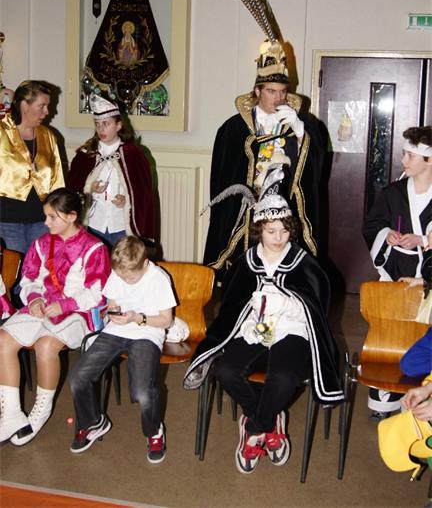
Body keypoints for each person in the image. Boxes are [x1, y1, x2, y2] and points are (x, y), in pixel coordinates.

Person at [184, 176, 343, 474]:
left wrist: (285, 304)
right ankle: (270, 420)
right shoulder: (246, 262)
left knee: (283, 378)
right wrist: (250, 313)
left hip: (292, 331)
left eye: (284, 230)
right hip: (254, 331)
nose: (279, 237)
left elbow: (316, 311)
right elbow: (231, 307)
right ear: (259, 230)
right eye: (271, 231)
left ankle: (254, 428)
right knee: (226, 370)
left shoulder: (303, 263)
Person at [203, 39, 325, 276]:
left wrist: (300, 132)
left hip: (284, 210)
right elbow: (222, 179)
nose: (279, 98)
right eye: (271, 91)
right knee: (244, 274)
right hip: (247, 213)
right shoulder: (233, 129)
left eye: (282, 92)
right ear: (257, 91)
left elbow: (316, 171)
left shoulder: (303, 124)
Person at [0, 187, 110, 446]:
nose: (46, 222)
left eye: (52, 217)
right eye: (46, 216)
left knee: (46, 345)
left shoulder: (94, 248)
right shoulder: (41, 244)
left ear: (72, 216)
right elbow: (29, 279)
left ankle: (41, 409)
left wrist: (65, 305)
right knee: (3, 339)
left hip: (78, 314)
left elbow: (98, 293)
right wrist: (34, 298)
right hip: (43, 308)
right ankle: (12, 414)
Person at [69, 235, 176, 463]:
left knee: (142, 392)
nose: (125, 280)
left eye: (130, 277)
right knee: (78, 377)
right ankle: (93, 422)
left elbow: (167, 320)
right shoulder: (119, 272)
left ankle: (154, 431)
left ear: (145, 263)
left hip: (147, 332)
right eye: (121, 275)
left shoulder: (159, 279)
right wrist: (113, 312)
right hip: (117, 330)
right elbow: (112, 303)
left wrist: (138, 318)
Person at [363, 126, 432, 419]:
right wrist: (387, 234)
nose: (403, 160)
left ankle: (421, 396)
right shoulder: (392, 193)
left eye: (410, 155)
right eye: (404, 154)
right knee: (389, 333)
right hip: (396, 272)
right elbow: (372, 225)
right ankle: (385, 399)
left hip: (426, 279)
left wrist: (423, 240)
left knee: (420, 338)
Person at [67, 93, 155, 248]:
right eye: (97, 124)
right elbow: (72, 190)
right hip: (94, 225)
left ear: (118, 125)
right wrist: (90, 189)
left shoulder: (133, 155)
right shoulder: (86, 155)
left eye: (106, 123)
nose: (101, 129)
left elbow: (142, 195)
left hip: (120, 226)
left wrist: (127, 200)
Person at [0, 80, 65, 254]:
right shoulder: (1, 132)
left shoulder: (48, 136)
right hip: (6, 222)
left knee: (40, 269)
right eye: (42, 106)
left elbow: (57, 181)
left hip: (41, 221)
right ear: (24, 105)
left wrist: (59, 216)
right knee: (12, 270)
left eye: (47, 106)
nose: (47, 112)